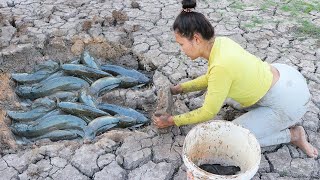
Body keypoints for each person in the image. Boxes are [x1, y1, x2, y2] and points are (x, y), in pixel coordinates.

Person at [152, 0, 318, 158]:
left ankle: (293, 135)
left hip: (287, 102)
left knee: (234, 139)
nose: (181, 49)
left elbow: (208, 112)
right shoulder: (221, 43)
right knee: (228, 97)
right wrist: (181, 88)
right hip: (285, 78)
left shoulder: (221, 66)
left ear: (196, 38)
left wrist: (172, 120)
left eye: (181, 44)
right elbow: (213, 78)